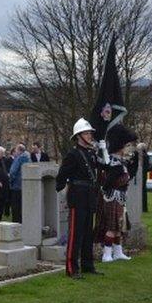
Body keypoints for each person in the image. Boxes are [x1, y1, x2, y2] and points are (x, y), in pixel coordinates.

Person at [55, 118, 103, 279]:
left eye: (90, 133)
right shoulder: (72, 155)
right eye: (86, 133)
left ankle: (88, 265)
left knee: (88, 233)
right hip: (78, 196)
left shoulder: (91, 153)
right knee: (76, 234)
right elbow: (62, 175)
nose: (90, 136)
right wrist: (61, 188)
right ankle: (71, 268)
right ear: (78, 136)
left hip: (90, 196)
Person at [95, 124, 137, 262]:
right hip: (112, 197)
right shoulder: (114, 163)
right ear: (121, 147)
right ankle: (107, 254)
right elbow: (109, 181)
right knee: (112, 226)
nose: (129, 149)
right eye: (127, 146)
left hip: (120, 197)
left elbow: (131, 174)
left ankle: (118, 252)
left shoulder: (119, 162)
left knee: (119, 226)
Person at [9, 147, 30, 223]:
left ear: (19, 151)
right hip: (26, 185)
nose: (15, 153)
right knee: (23, 205)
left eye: (16, 151)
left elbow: (13, 171)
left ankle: (16, 221)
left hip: (16, 185)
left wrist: (11, 181)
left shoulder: (19, 159)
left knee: (15, 206)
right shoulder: (29, 158)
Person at [137, 143, 150, 213]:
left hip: (142, 175)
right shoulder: (143, 156)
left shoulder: (144, 157)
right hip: (141, 175)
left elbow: (144, 167)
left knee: (142, 191)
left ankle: (144, 208)